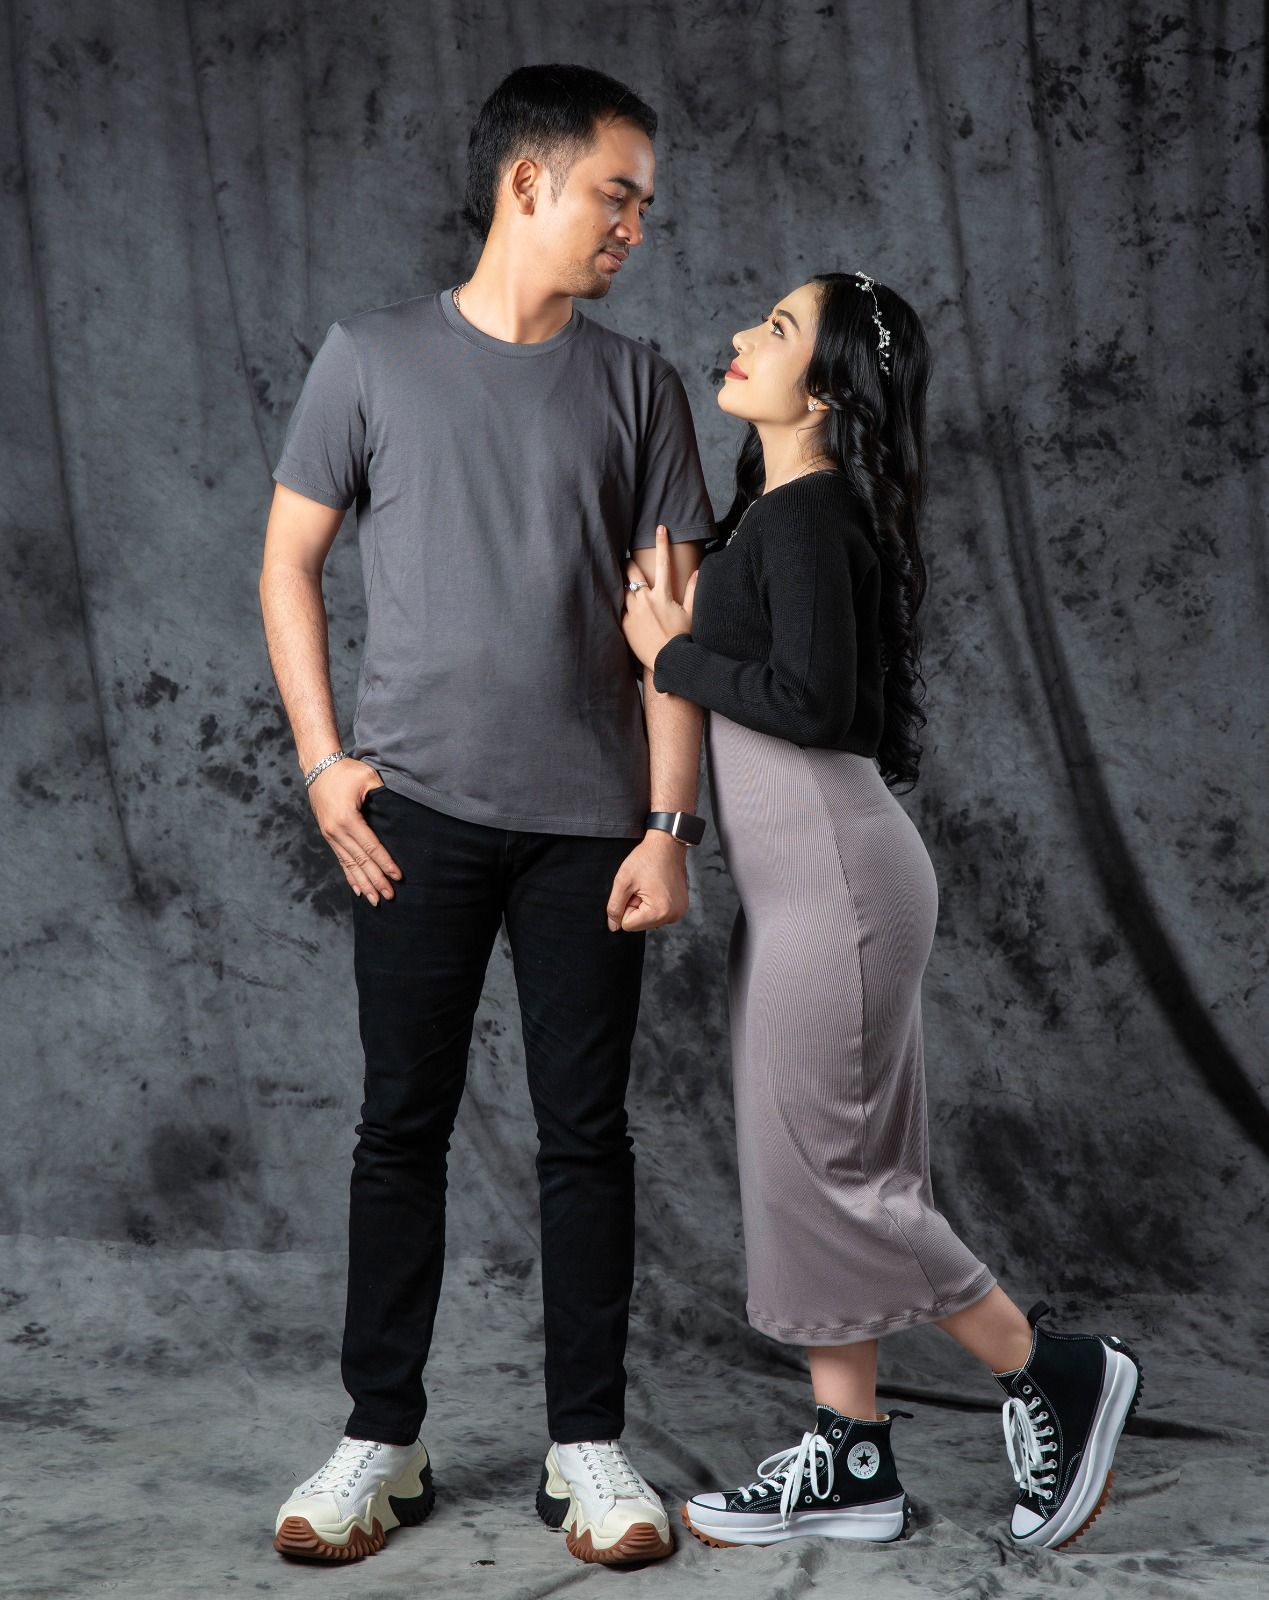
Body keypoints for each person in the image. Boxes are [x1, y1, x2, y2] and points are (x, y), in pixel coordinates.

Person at [259, 64, 717, 1568]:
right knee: (400, 1127)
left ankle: (587, 1445)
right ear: (529, 183)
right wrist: (325, 764)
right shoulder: (370, 358)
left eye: (643, 205)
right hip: (417, 817)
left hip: (593, 831)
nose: (636, 226)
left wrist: (671, 826)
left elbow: (673, 633)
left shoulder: (641, 385)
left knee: (587, 1138)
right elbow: (287, 563)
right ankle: (380, 1437)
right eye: (617, 196)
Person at [619, 272, 1143, 1552]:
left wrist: (670, 655)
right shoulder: (782, 512)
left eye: (777, 330)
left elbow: (814, 705)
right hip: (812, 885)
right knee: (814, 1174)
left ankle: (1054, 1369)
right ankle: (850, 1455)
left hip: (837, 888)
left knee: (843, 1177)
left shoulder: (809, 517)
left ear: (827, 391)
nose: (740, 338)